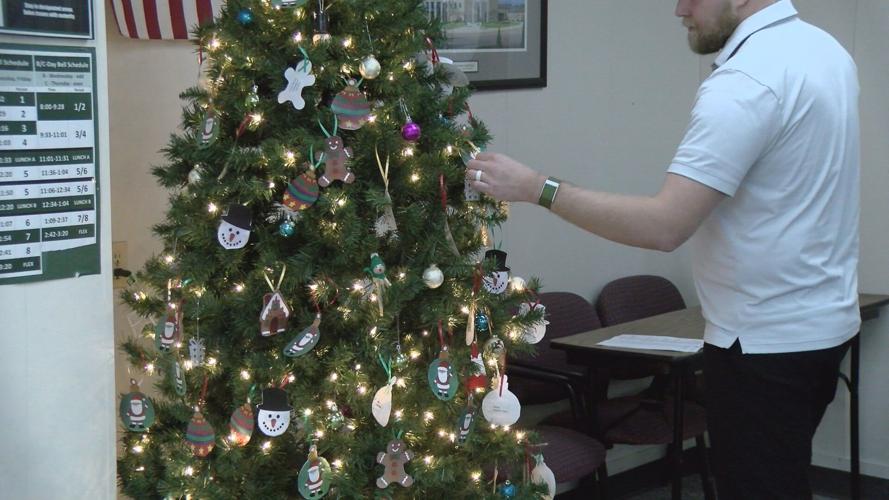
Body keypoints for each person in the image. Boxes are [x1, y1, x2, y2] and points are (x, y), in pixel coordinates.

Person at [466, 0, 860, 498]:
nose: (678, 9)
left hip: (761, 345)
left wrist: (537, 187)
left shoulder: (747, 81)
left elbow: (664, 226)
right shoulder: (824, 52)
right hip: (824, 328)